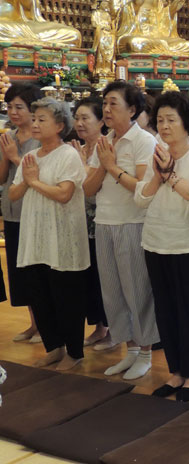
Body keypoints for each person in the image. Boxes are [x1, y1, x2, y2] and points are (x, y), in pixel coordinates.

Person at [134, 92, 189, 402]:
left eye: (171, 119)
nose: (165, 126)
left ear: (187, 123)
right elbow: (140, 199)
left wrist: (171, 175)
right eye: (160, 120)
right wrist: (157, 177)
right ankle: (175, 372)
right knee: (166, 310)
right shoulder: (156, 154)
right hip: (156, 242)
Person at [84, 81, 159, 379]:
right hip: (104, 222)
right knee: (113, 293)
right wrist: (104, 164)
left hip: (133, 223)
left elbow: (142, 188)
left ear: (132, 109)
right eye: (104, 103)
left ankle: (146, 353)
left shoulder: (143, 141)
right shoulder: (105, 142)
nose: (106, 109)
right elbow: (88, 189)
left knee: (137, 290)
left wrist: (112, 167)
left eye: (113, 103)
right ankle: (130, 351)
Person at [9, 98, 89, 370]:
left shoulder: (68, 155)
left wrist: (33, 181)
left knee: (65, 297)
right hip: (36, 236)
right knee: (40, 294)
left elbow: (64, 194)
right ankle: (53, 347)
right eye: (34, 118)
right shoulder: (31, 156)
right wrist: (27, 180)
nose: (35, 124)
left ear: (59, 126)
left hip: (63, 237)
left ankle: (74, 353)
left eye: (41, 119)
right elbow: (13, 193)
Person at [1, 82, 42, 340]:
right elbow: (2, 177)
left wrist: (16, 156)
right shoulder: (8, 137)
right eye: (9, 107)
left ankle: (46, 326)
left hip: (35, 212)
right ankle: (34, 324)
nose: (13, 112)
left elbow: (39, 176)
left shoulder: (41, 138)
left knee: (37, 270)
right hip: (12, 211)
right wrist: (6, 155)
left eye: (19, 107)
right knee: (20, 272)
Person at [71, 97, 109, 349]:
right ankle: (99, 327)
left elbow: (93, 191)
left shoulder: (104, 148)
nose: (80, 123)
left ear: (101, 121)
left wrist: (82, 164)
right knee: (89, 280)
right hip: (79, 224)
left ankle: (112, 329)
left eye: (86, 118)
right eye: (77, 118)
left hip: (101, 222)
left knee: (103, 278)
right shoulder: (78, 148)